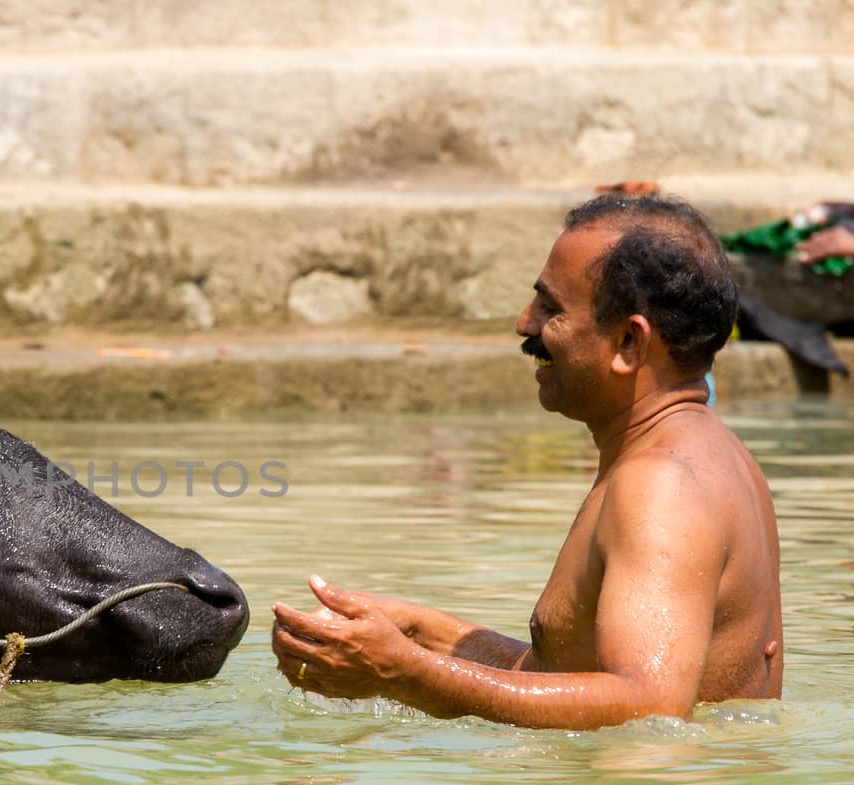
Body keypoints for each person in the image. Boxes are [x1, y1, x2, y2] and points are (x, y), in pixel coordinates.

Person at [271, 194, 784, 729]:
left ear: (630, 341)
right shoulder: (714, 457)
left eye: (551, 308)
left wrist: (401, 674)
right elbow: (574, 673)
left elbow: (649, 709)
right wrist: (426, 637)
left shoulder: (661, 486)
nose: (524, 324)